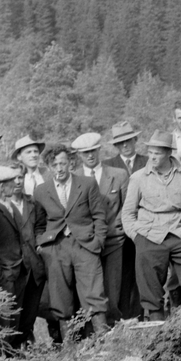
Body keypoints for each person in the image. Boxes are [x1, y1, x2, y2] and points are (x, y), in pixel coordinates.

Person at [121, 132, 181, 321]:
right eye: (150, 152)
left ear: (169, 153)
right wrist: (137, 237)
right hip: (149, 234)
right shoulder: (138, 178)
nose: (152, 157)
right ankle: (156, 327)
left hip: (178, 232)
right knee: (150, 289)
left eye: (157, 153)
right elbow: (127, 214)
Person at [32, 144, 109, 339]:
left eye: (63, 163)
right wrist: (42, 245)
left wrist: (98, 240)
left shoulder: (87, 183)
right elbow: (39, 223)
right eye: (54, 164)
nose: (59, 168)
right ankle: (70, 345)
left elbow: (99, 215)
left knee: (93, 291)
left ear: (71, 163)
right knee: (60, 296)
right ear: (49, 167)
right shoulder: (41, 190)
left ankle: (102, 339)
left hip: (85, 244)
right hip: (57, 247)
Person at [72, 131, 139, 322]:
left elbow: (127, 208)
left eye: (93, 151)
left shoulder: (118, 175)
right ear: (79, 155)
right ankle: (90, 333)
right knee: (89, 290)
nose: (90, 156)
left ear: (99, 149)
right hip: (85, 243)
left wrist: (116, 229)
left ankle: (113, 329)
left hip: (113, 241)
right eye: (86, 153)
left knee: (113, 289)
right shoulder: (74, 178)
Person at [0, 165, 40, 347]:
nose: (14, 185)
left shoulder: (8, 205)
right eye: (9, 183)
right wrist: (0, 278)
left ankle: (12, 358)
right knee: (2, 323)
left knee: (14, 321)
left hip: (16, 272)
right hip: (4, 276)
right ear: (0, 186)